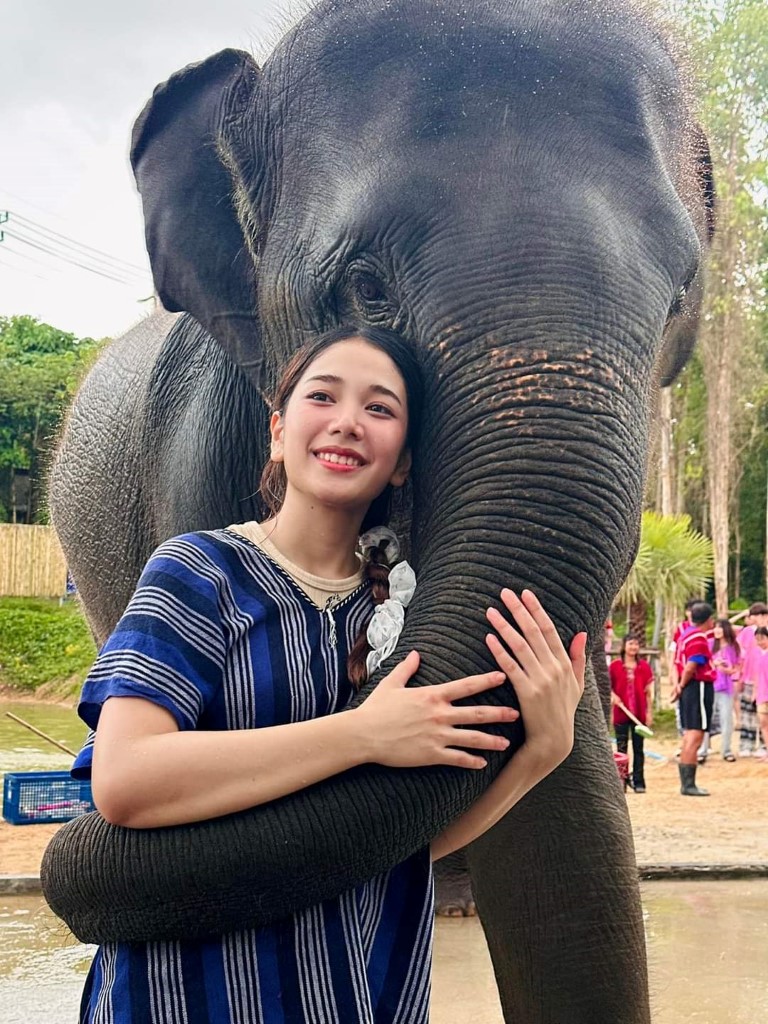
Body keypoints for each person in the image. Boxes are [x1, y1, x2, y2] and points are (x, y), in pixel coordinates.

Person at [70, 324, 587, 1024]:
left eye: (379, 408)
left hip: (356, 993)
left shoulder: (404, 616)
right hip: (190, 996)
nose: (347, 421)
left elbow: (397, 842)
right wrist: (362, 735)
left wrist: (541, 755)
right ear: (278, 432)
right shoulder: (197, 572)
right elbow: (126, 780)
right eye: (323, 396)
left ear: (402, 462)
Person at [671, 601, 715, 796]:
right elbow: (691, 666)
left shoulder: (685, 635)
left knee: (689, 733)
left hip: (689, 687)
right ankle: (689, 784)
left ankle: (687, 782)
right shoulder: (698, 637)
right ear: (709, 620)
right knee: (696, 734)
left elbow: (677, 663)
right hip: (698, 686)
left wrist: (678, 685)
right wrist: (682, 684)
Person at [610, 635, 654, 793]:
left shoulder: (644, 667)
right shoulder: (614, 666)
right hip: (621, 713)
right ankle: (621, 782)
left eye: (636, 644)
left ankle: (639, 782)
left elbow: (648, 693)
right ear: (624, 646)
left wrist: (649, 713)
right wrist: (613, 696)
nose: (634, 647)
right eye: (630, 644)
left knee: (638, 749)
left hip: (639, 715)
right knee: (621, 749)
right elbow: (608, 687)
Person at [697, 619, 740, 763]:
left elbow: (736, 667)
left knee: (726, 719)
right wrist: (714, 664)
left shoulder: (733, 647)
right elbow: (702, 663)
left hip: (726, 688)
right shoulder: (709, 644)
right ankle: (703, 750)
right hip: (709, 686)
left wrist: (728, 670)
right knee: (706, 719)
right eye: (715, 627)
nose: (717, 630)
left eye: (720, 627)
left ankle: (726, 750)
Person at [736, 602, 768, 757]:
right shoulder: (747, 632)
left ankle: (763, 745)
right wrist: (739, 676)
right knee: (747, 713)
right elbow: (741, 654)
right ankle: (746, 744)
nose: (753, 618)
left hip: (764, 680)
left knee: (764, 716)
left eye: (755, 615)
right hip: (749, 677)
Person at [753, 627, 768, 762]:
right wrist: (755, 692)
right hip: (762, 694)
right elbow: (757, 676)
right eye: (757, 640)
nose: (760, 642)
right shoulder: (758, 654)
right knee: (763, 723)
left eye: (762, 639)